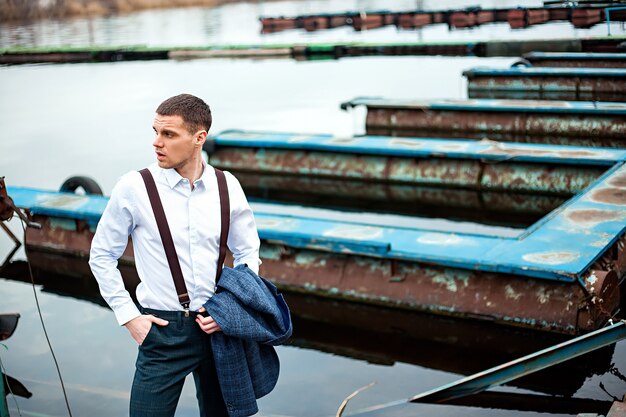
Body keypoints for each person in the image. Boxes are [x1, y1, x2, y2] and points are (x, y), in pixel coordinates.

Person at [89, 93, 261, 417]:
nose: (157, 142)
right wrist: (130, 317)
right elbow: (101, 256)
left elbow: (248, 251)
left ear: (199, 138)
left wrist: (234, 309)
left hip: (218, 328)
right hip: (162, 330)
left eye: (168, 134)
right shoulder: (134, 187)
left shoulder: (227, 186)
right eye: (155, 131)